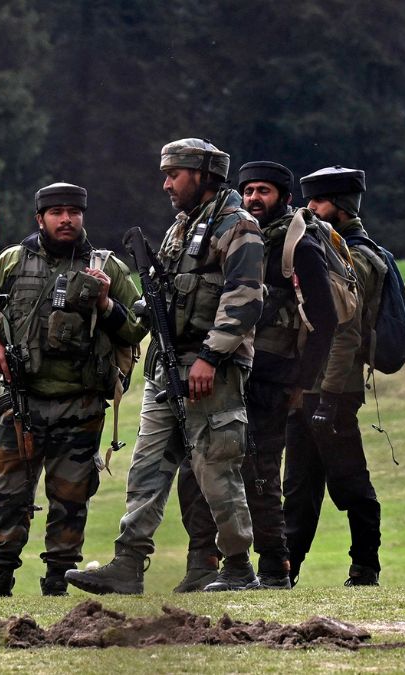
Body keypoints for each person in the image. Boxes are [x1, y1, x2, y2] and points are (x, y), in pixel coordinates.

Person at [65, 139, 265, 594]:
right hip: (167, 367)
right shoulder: (182, 227)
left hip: (209, 370)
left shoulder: (238, 227)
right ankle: (127, 564)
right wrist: (116, 303)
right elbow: (169, 294)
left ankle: (237, 566)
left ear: (202, 174)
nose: (166, 183)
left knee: (216, 468)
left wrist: (211, 357)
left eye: (174, 173)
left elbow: (244, 299)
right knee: (146, 468)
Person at [0, 182, 147, 598]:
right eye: (57, 212)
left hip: (81, 404)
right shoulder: (12, 261)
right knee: (7, 494)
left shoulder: (108, 267)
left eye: (74, 212)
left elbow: (137, 326)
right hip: (22, 401)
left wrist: (105, 305)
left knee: (71, 498)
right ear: (40, 218)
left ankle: (58, 579)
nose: (66, 219)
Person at [173, 161, 350, 591]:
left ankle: (273, 568)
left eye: (264, 191)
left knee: (260, 472)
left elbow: (324, 321)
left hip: (273, 378)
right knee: (203, 467)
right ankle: (212, 565)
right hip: (234, 371)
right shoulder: (235, 238)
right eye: (249, 189)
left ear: (284, 197)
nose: (254, 197)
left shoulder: (299, 245)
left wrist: (301, 386)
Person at [285, 165, 383, 587]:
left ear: (341, 207)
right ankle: (283, 570)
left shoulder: (354, 258)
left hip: (333, 390)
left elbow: (347, 332)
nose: (310, 208)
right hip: (309, 388)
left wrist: (327, 397)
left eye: (319, 201)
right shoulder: (330, 251)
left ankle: (365, 566)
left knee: (349, 481)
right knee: (298, 487)